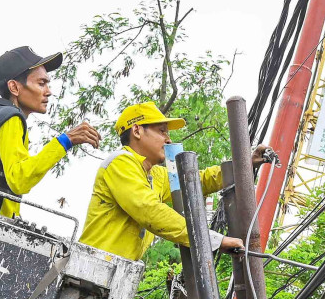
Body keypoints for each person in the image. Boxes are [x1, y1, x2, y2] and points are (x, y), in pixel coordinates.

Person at [79, 100, 267, 261]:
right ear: (137, 130)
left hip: (116, 273)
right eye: (162, 131)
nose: (168, 140)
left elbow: (196, 182)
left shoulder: (156, 175)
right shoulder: (121, 163)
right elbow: (150, 211)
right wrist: (212, 240)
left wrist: (245, 165)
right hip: (91, 267)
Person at [0, 46, 100, 218]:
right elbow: (20, 180)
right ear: (14, 87)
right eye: (41, 83)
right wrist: (66, 140)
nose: (48, 92)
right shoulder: (11, 118)